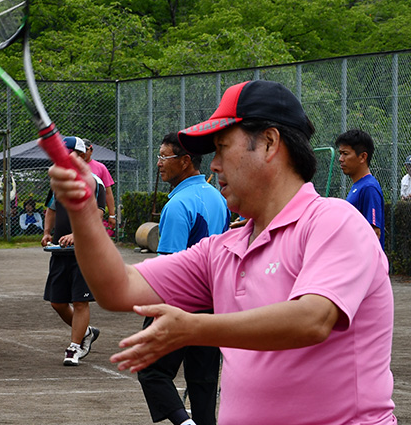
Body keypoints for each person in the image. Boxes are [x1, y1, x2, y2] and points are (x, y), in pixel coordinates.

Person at [47, 80, 395, 425]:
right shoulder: (223, 249)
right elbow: (117, 288)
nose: (213, 165)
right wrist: (83, 210)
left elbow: (312, 319)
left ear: (270, 143)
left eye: (223, 147)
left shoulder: (334, 222)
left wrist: (194, 328)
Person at [137, 133, 230, 425]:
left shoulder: (178, 205)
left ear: (186, 161)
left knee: (150, 368)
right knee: (202, 380)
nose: (159, 163)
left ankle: (183, 423)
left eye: (164, 156)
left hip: (181, 302)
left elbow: (170, 267)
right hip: (212, 300)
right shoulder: (218, 197)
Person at [42, 136, 102, 367]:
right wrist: (48, 232)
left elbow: (97, 214)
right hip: (60, 250)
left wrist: (77, 235)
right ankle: (86, 332)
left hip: (84, 252)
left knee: (79, 301)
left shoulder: (92, 181)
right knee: (57, 302)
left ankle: (74, 347)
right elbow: (51, 209)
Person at [336, 129, 386, 248]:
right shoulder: (358, 186)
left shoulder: (369, 187)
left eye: (345, 153)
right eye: (340, 153)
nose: (340, 159)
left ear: (363, 157)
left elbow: (374, 233)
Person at [84, 139, 117, 234]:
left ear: (91, 151)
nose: (83, 153)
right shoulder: (72, 166)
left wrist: (111, 215)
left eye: (86, 150)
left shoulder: (100, 168)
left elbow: (108, 192)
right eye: (80, 150)